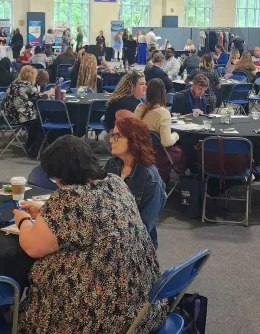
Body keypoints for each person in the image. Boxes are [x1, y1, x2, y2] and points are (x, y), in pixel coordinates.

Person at [13, 136, 167, 333]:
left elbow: (33, 247)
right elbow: (96, 215)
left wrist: (23, 220)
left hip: (101, 316)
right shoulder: (115, 183)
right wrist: (45, 210)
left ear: (62, 174)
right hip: (142, 306)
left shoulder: (68, 197)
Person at [106, 116, 167, 248]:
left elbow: (143, 228)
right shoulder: (112, 165)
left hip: (136, 246)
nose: (111, 140)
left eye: (117, 136)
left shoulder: (150, 178)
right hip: (110, 235)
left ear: (134, 140)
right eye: (112, 135)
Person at [134, 80, 185, 182]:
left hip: (138, 151)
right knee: (181, 152)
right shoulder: (163, 112)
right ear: (163, 93)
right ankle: (180, 180)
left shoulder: (139, 108)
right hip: (156, 154)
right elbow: (166, 142)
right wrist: (176, 135)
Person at [1, 65, 54, 156]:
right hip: (17, 116)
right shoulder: (26, 85)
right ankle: (33, 150)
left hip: (8, 114)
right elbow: (40, 98)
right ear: (32, 76)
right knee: (41, 121)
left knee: (38, 119)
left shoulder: (15, 82)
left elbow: (33, 96)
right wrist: (50, 93)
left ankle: (32, 145)